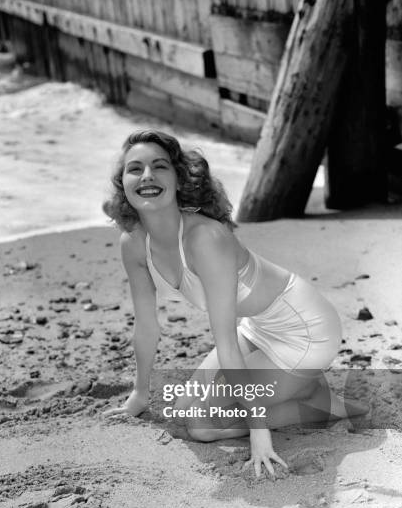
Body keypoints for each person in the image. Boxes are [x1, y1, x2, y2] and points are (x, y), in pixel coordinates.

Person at [103, 129, 368, 477]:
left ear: (179, 180)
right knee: (181, 409)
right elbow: (146, 325)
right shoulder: (134, 242)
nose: (147, 176)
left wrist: (259, 433)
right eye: (135, 168)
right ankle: (301, 385)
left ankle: (320, 403)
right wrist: (139, 394)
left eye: (160, 166)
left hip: (304, 330)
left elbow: (224, 340)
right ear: (123, 182)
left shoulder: (204, 238)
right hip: (257, 328)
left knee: (201, 425)